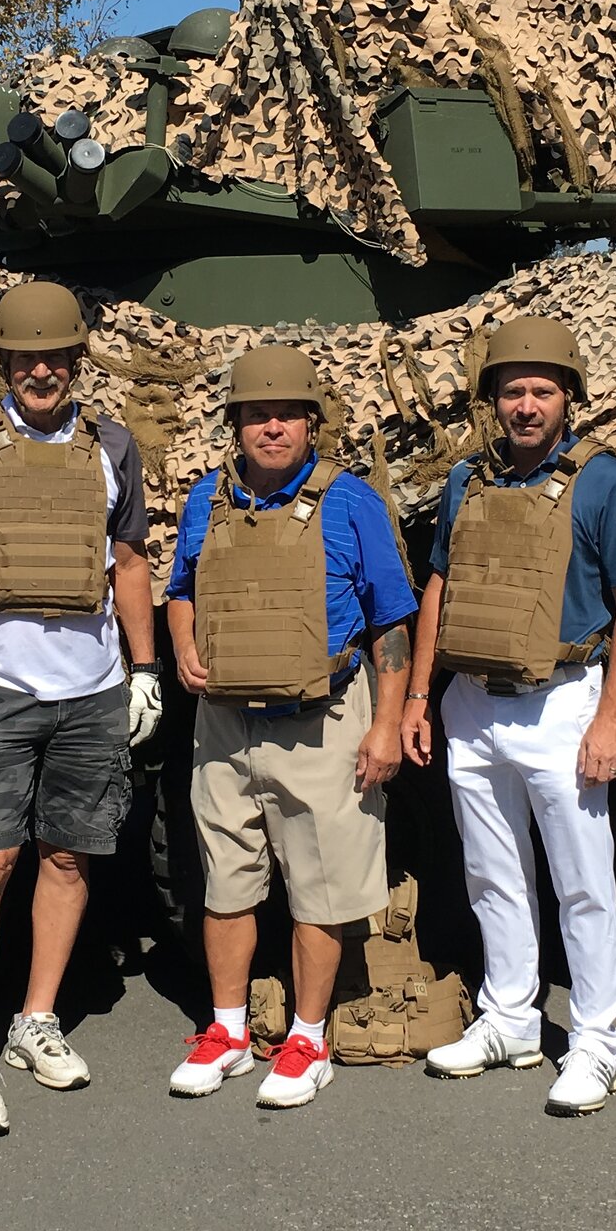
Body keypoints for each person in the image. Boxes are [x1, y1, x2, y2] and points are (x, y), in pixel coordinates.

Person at [0, 282, 162, 1139]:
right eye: (26, 357)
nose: (42, 370)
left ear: (75, 362)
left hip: (91, 689)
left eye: (56, 357)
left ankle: (35, 1018)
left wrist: (145, 669)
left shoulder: (114, 447)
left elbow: (129, 565)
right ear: (5, 364)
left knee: (68, 858)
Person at [400, 315, 616, 1117]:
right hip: (473, 702)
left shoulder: (606, 480)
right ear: (493, 401)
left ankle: (596, 1043)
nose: (526, 404)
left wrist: (613, 717)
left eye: (542, 389)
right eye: (512, 390)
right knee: (491, 872)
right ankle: (510, 1016)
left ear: (568, 397)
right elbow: (438, 583)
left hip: (563, 702)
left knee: (583, 884)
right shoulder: (466, 480)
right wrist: (418, 693)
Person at [164, 346, 417, 1110]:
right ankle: (228, 1030)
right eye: (255, 413)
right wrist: (182, 645)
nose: (271, 426)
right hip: (224, 724)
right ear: (235, 423)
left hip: (324, 720)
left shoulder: (352, 502)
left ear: (312, 422)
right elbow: (179, 589)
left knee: (321, 888)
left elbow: (392, 618)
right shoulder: (206, 500)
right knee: (227, 881)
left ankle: (308, 1038)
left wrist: (387, 723)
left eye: (286, 414)